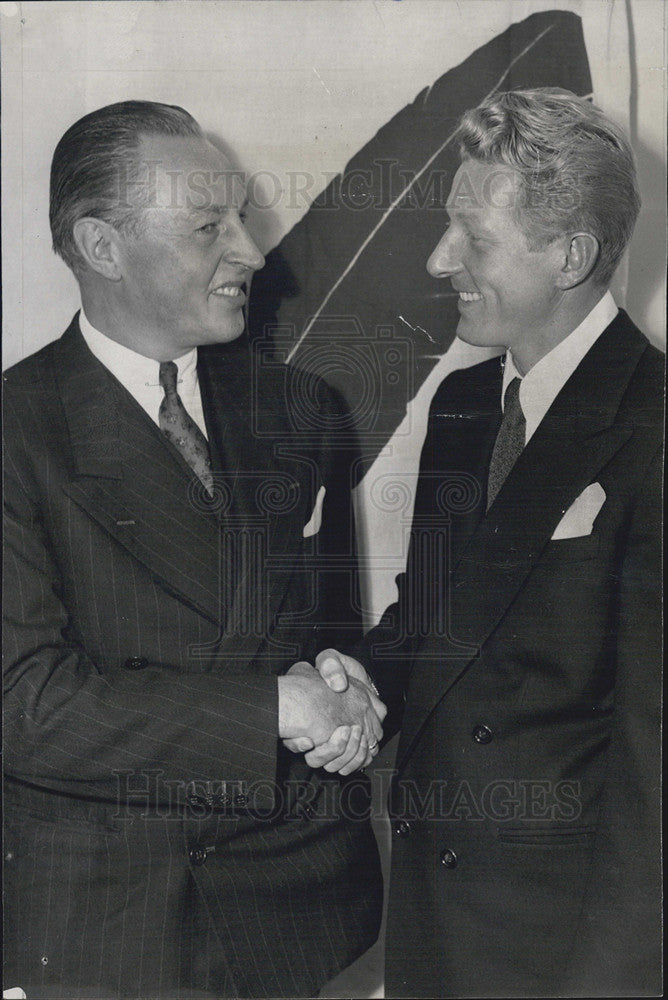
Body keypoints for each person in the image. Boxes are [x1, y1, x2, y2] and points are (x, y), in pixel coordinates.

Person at [2, 100, 387, 999]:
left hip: (301, 916)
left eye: (243, 216)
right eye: (209, 225)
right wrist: (269, 712)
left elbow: (331, 631)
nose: (251, 251)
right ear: (102, 248)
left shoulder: (300, 410)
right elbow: (23, 705)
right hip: (112, 931)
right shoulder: (16, 433)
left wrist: (347, 680)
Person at [315, 88, 663, 997]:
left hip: (568, 952)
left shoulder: (658, 425)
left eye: (474, 237)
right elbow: (433, 621)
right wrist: (342, 683)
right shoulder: (466, 406)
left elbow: (653, 775)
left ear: (572, 255)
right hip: (434, 925)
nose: (439, 261)